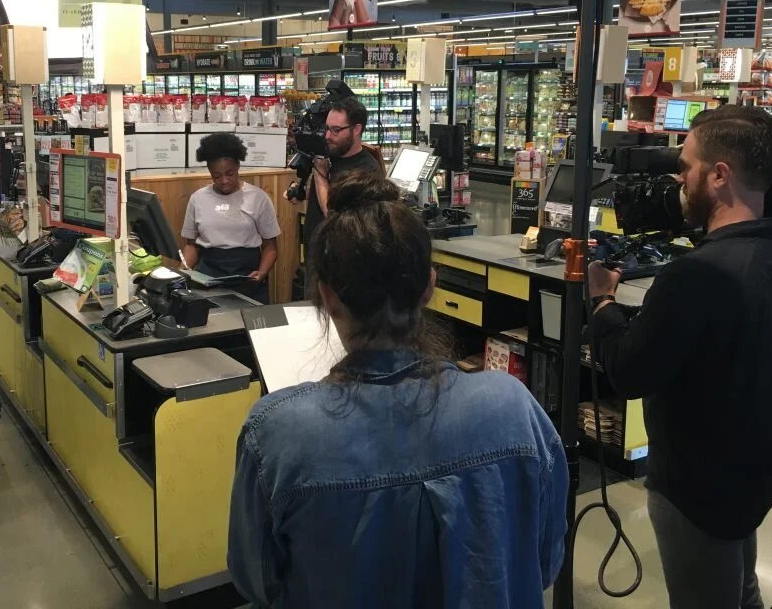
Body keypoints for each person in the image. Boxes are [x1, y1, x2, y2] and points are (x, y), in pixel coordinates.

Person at [229, 173, 568, 608]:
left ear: (328, 297)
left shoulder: (277, 435)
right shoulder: (515, 409)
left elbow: (257, 581)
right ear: (430, 285)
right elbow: (543, 561)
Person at [588, 105, 772, 609]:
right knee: (740, 588)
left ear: (720, 174)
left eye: (686, 167)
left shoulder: (695, 276)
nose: (679, 180)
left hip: (694, 488)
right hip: (753, 471)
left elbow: (628, 371)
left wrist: (603, 304)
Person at [181, 132, 280, 304]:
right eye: (217, 176)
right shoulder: (198, 199)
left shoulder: (258, 198)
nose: (224, 181)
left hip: (247, 276)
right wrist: (184, 271)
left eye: (230, 173)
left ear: (238, 166)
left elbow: (270, 246)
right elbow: (192, 246)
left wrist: (262, 273)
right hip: (208, 276)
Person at [285, 95, 382, 251]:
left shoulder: (366, 170)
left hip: (340, 260)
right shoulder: (330, 156)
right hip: (316, 255)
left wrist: (320, 175)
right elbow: (319, 193)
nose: (328, 136)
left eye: (336, 130)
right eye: (327, 128)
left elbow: (334, 216)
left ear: (356, 129)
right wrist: (300, 190)